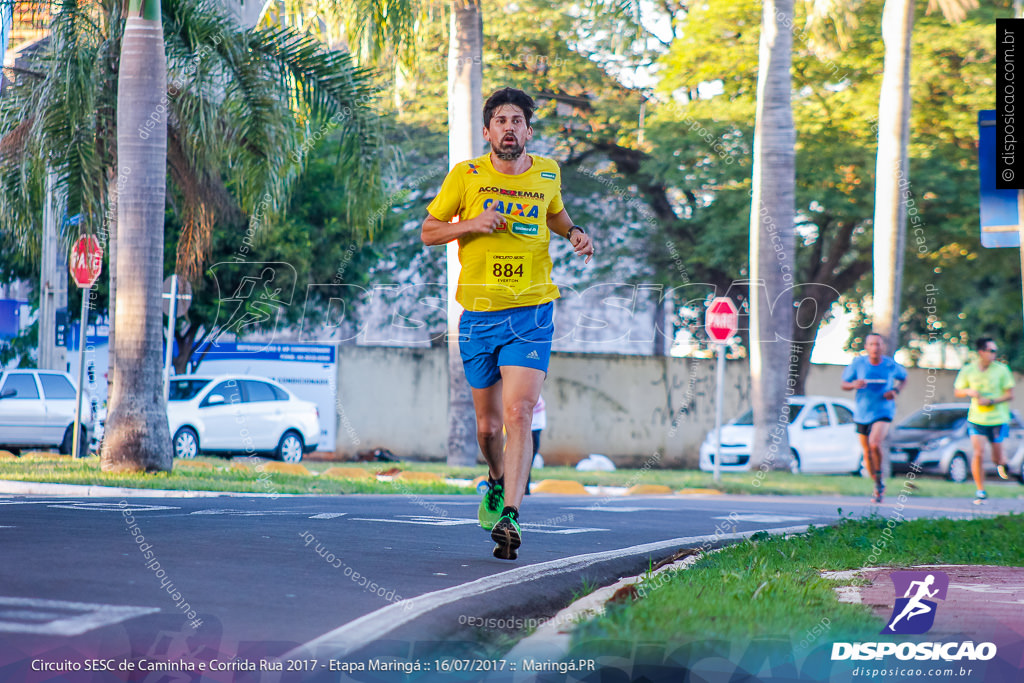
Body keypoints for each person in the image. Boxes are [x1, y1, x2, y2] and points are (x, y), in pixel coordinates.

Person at [421, 88, 595, 560]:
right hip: (478, 316)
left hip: (532, 312)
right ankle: (496, 480)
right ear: (487, 132)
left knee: (520, 414)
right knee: (487, 427)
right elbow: (430, 230)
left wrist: (575, 232)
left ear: (528, 130)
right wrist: (470, 225)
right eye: (500, 120)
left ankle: (511, 515)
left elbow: (554, 215)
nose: (509, 128)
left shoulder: (547, 173)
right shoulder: (466, 176)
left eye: (517, 120)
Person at [840, 333, 908, 503]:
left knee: (874, 443)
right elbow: (844, 384)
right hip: (862, 412)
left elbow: (904, 378)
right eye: (871, 344)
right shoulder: (858, 364)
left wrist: (895, 391)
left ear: (882, 347)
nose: (875, 348)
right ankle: (877, 484)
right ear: (866, 347)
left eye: (878, 344)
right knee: (866, 452)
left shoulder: (890, 365)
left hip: (884, 410)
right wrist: (854, 384)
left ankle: (879, 480)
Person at [954, 337, 1014, 502]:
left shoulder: (1002, 370)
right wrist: (969, 392)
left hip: (998, 419)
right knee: (978, 453)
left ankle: (1003, 463)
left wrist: (991, 401)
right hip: (976, 418)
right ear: (981, 352)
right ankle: (980, 490)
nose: (994, 354)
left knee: (996, 458)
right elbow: (957, 391)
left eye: (995, 351)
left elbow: (1010, 394)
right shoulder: (968, 370)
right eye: (991, 351)